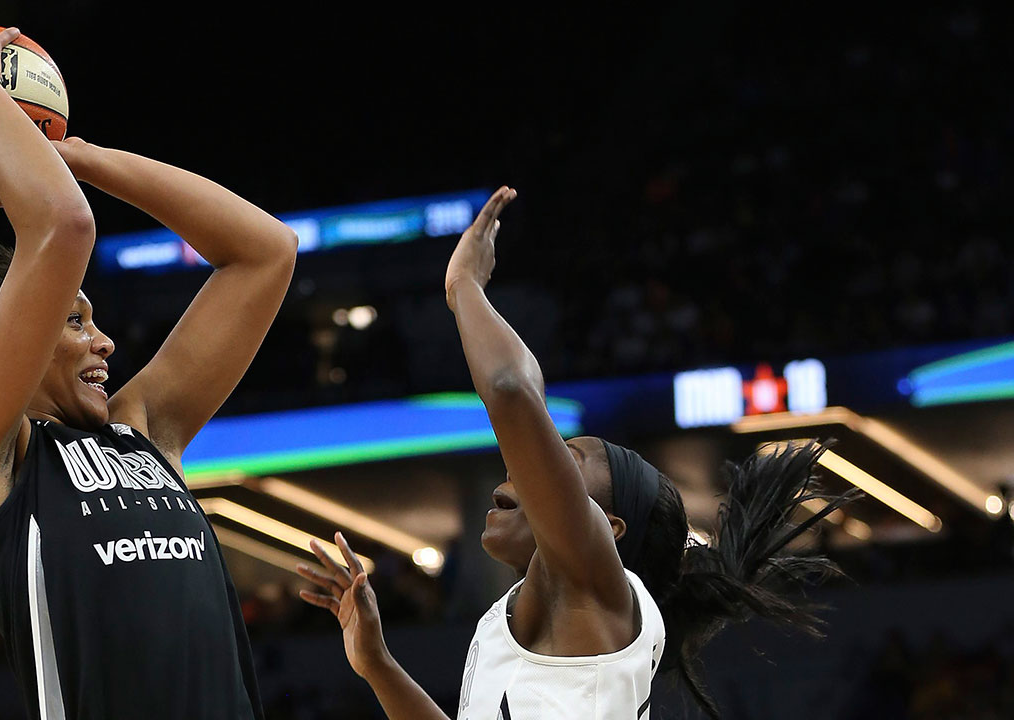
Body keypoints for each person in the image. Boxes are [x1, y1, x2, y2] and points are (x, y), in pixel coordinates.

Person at [296, 187, 854, 719]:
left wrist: (464, 286)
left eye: (567, 458)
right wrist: (378, 665)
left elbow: (514, 391)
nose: (523, 465)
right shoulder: (509, 622)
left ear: (608, 529)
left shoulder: (603, 589)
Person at [0, 13, 297, 719]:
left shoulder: (143, 432)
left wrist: (82, 159)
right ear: (8, 331)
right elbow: (63, 227)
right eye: (75, 319)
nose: (105, 341)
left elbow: (267, 251)